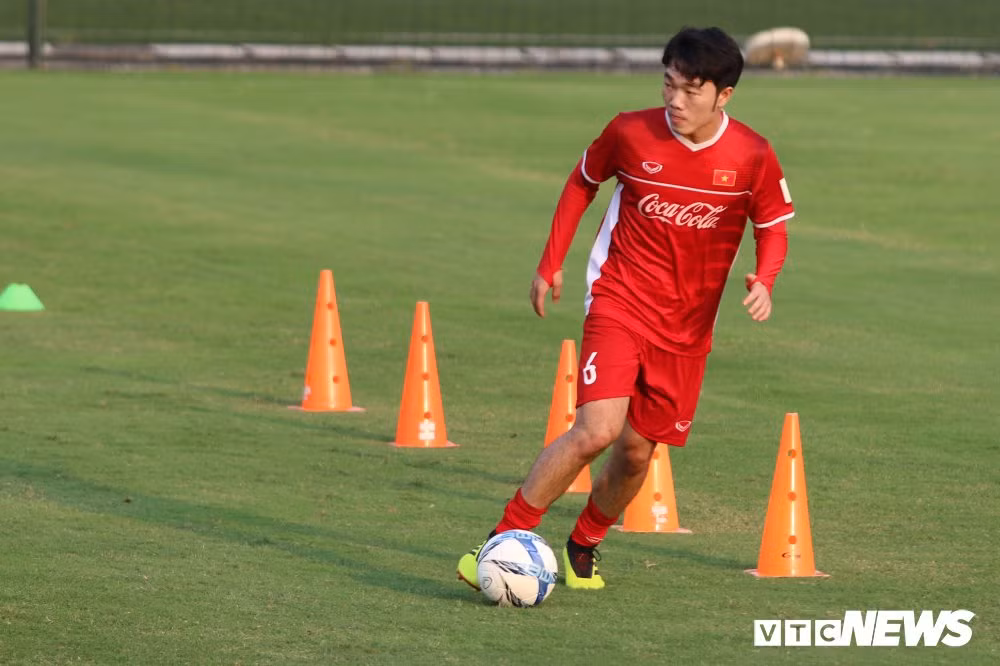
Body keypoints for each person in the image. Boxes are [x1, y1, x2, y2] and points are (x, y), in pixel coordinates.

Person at [457, 26, 793, 590]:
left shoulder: (752, 154)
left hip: (687, 329)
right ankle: (499, 541)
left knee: (636, 453)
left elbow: (773, 225)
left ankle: (583, 544)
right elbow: (581, 182)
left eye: (690, 90)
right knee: (597, 430)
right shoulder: (630, 132)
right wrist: (550, 262)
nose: (675, 100)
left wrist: (766, 278)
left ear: (724, 95)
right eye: (668, 84)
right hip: (619, 298)